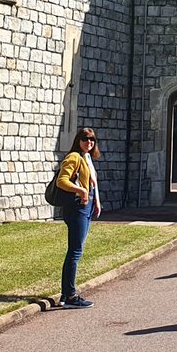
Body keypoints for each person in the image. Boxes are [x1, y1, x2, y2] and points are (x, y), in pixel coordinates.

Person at [55, 127, 102, 309]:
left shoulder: (86, 157)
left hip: (87, 206)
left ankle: (66, 294)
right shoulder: (74, 157)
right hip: (77, 207)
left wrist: (96, 200)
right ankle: (70, 296)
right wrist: (82, 191)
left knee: (76, 250)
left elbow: (92, 182)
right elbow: (62, 180)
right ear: (78, 140)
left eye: (92, 140)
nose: (89, 143)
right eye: (85, 139)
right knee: (75, 251)